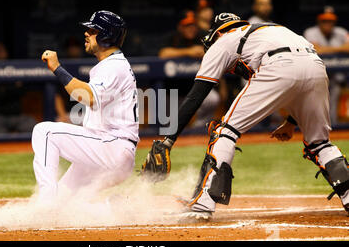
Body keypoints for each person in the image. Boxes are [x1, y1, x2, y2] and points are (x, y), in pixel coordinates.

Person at [144, 13, 349, 220]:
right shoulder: (270, 30)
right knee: (320, 143)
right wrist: (291, 122)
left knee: (224, 131)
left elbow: (197, 94)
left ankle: (202, 205)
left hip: (278, 64)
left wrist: (168, 140)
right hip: (316, 65)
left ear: (219, 31)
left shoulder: (223, 40)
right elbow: (301, 74)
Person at [32, 10, 139, 205]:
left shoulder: (113, 66)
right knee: (66, 205)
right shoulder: (111, 65)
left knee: (44, 132)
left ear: (106, 36)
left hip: (112, 147)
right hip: (106, 149)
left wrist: (57, 68)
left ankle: (45, 203)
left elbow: (88, 97)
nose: (86, 34)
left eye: (92, 30)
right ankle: (114, 209)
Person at [304, 6, 349, 125]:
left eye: (330, 21)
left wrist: (326, 50)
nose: (328, 23)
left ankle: (332, 128)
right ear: (319, 21)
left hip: (335, 76)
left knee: (334, 96)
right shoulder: (310, 32)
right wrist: (338, 50)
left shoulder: (341, 32)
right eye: (324, 21)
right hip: (315, 76)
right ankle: (316, 127)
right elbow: (316, 49)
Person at [0, 42, 36, 134]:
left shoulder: (14, 69)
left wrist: (4, 89)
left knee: (33, 127)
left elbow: (21, 91)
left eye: (1, 51)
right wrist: (12, 88)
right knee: (0, 137)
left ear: (6, 53)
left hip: (16, 116)